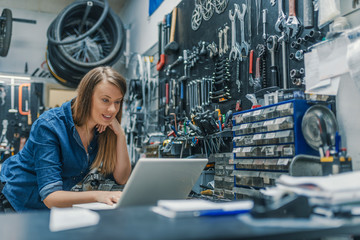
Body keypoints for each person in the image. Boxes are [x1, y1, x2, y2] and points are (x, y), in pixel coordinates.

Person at [0, 66, 131, 212]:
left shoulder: (103, 128)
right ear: (87, 98)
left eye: (117, 102)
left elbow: (122, 178)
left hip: (47, 208)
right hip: (16, 200)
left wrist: (121, 135)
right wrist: (99, 195)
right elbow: (51, 196)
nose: (112, 109)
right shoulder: (49, 126)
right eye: (105, 100)